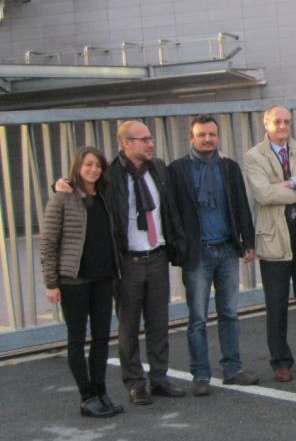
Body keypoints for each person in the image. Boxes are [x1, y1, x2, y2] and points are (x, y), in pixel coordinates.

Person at [169, 115, 260, 396]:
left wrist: (247, 241)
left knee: (229, 314)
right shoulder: (178, 170)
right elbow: (172, 212)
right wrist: (180, 248)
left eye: (211, 134)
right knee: (197, 317)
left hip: (227, 250)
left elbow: (241, 205)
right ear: (191, 138)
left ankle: (233, 369)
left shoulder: (229, 167)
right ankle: (201, 375)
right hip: (197, 255)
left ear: (218, 137)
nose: (207, 139)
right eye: (201, 135)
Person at [243, 105, 296, 382]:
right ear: (266, 123)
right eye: (278, 122)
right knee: (277, 303)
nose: (283, 126)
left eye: (287, 122)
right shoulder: (253, 156)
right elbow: (263, 193)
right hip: (275, 239)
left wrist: (291, 184)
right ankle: (280, 361)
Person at [41, 147, 123, 418]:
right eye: (88, 165)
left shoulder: (103, 196)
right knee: (76, 339)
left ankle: (101, 391)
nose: (93, 169)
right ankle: (86, 396)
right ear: (78, 167)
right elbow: (49, 243)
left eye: (97, 165)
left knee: (101, 338)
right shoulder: (62, 198)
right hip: (73, 281)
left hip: (102, 278)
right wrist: (51, 283)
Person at [111, 120, 188, 403]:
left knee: (159, 323)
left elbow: (170, 208)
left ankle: (159, 379)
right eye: (143, 139)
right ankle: (134, 383)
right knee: (129, 327)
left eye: (150, 138)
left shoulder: (158, 169)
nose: (150, 143)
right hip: (128, 262)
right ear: (126, 143)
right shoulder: (112, 176)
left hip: (157, 256)